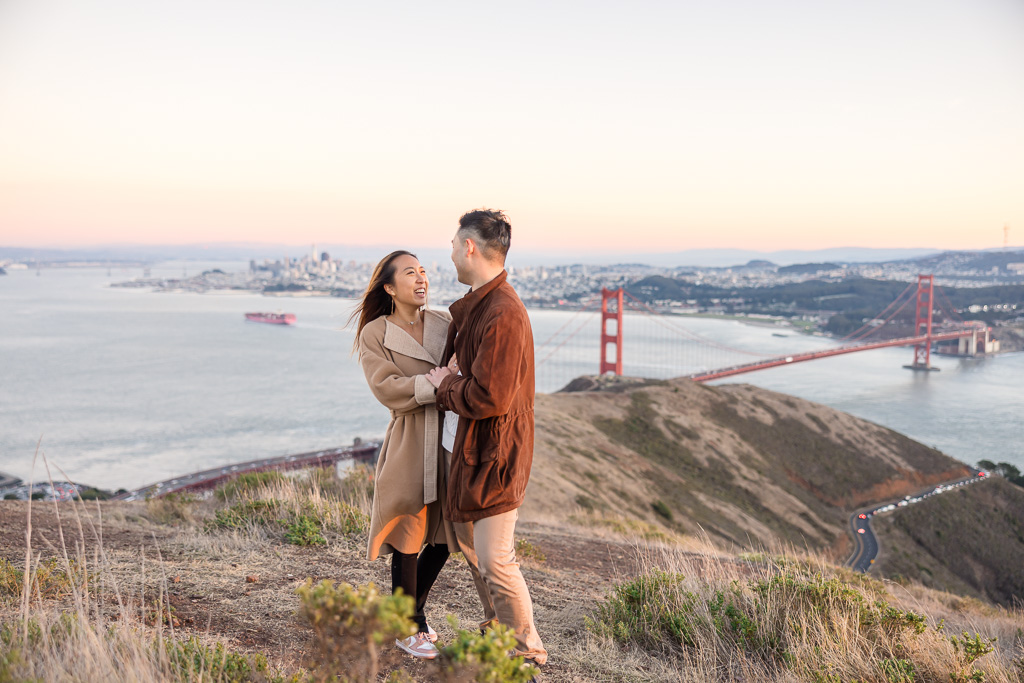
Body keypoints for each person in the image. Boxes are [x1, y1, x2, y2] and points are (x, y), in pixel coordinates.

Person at [426, 209, 547, 669]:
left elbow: (490, 395)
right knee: (477, 556)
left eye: (455, 244)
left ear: (470, 247)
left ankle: (525, 657)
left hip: (493, 455)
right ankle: (499, 645)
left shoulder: (503, 312)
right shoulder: (478, 304)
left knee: (496, 560)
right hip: (466, 450)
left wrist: (445, 386)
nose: (452, 252)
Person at [352, 250, 455, 660]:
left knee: (448, 534)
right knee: (408, 532)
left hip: (446, 435)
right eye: (410, 273)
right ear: (390, 288)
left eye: (424, 271)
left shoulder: (445, 324)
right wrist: (432, 384)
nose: (421, 278)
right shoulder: (375, 333)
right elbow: (386, 387)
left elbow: (463, 369)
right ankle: (407, 627)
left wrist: (446, 380)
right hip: (409, 437)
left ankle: (412, 613)